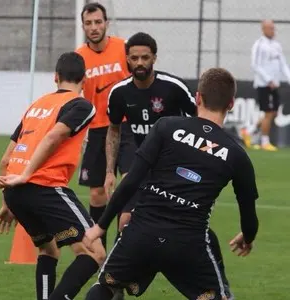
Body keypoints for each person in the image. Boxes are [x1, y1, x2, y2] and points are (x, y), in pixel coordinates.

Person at [84, 68, 259, 300]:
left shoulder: (166, 127)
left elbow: (131, 181)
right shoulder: (237, 154)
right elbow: (248, 214)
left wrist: (101, 225)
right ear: (231, 104)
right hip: (188, 243)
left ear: (198, 98)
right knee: (218, 296)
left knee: (105, 286)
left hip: (141, 232)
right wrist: (247, 236)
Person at [104, 32, 232, 298]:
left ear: (154, 58)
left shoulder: (173, 88)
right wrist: (108, 171)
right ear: (127, 59)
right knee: (126, 223)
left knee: (182, 229)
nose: (140, 62)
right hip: (140, 168)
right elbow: (114, 131)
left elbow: (202, 123)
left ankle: (145, 275)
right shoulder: (119, 93)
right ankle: (122, 281)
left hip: (172, 173)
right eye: (134, 58)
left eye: (145, 57)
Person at [0, 52, 106, 300]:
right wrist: (27, 175)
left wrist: (7, 201)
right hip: (44, 187)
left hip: (15, 192)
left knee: (48, 249)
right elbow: (54, 137)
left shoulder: (36, 105)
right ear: (83, 79)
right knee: (95, 252)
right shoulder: (81, 105)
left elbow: (5, 160)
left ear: (55, 77)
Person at [75, 2, 136, 249]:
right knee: (97, 194)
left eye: (98, 22)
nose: (94, 27)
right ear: (83, 26)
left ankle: (123, 255)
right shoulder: (79, 57)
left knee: (130, 185)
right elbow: (74, 93)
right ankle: (100, 253)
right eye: (89, 23)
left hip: (127, 127)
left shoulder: (123, 48)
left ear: (106, 23)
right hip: (98, 130)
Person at [247, 19, 290, 150]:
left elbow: (283, 64)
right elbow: (255, 65)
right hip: (264, 85)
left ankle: (249, 132)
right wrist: (268, 79)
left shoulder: (276, 45)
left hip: (274, 85)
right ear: (263, 29)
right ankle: (265, 142)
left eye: (273, 28)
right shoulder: (259, 45)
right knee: (268, 113)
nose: (273, 30)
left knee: (274, 113)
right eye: (270, 28)